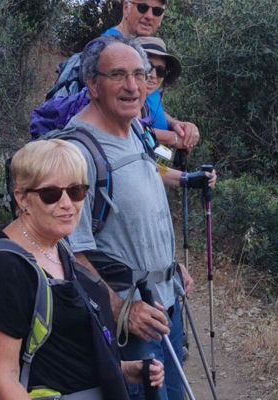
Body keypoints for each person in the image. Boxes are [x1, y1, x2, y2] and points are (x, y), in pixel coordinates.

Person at [60, 36, 214, 400]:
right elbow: (69, 252)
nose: (133, 86)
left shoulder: (138, 132)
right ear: (93, 84)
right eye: (118, 75)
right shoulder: (76, 153)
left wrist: (170, 266)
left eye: (140, 75)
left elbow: (145, 204)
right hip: (130, 318)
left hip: (166, 300)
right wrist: (121, 309)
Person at [0, 139, 165, 400]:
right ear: (22, 198)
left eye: (76, 191)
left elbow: (61, 353)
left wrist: (124, 370)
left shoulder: (58, 248)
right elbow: (3, 378)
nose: (67, 204)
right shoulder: (4, 268)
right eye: (51, 194)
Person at [45, 0, 199, 151]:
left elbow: (145, 102)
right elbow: (110, 122)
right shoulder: (107, 50)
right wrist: (173, 138)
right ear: (126, 7)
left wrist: (174, 123)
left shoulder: (144, 51)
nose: (149, 16)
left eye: (157, 11)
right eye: (143, 7)